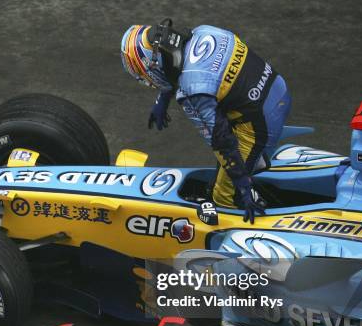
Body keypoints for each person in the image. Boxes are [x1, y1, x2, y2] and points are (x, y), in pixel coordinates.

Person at [121, 20, 291, 223]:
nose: (146, 80)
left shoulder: (191, 91)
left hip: (259, 124)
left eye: (143, 75)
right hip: (278, 88)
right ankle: (252, 165)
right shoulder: (204, 32)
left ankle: (243, 215)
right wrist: (163, 99)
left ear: (153, 67)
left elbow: (222, 142)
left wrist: (243, 187)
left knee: (225, 195)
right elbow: (175, 67)